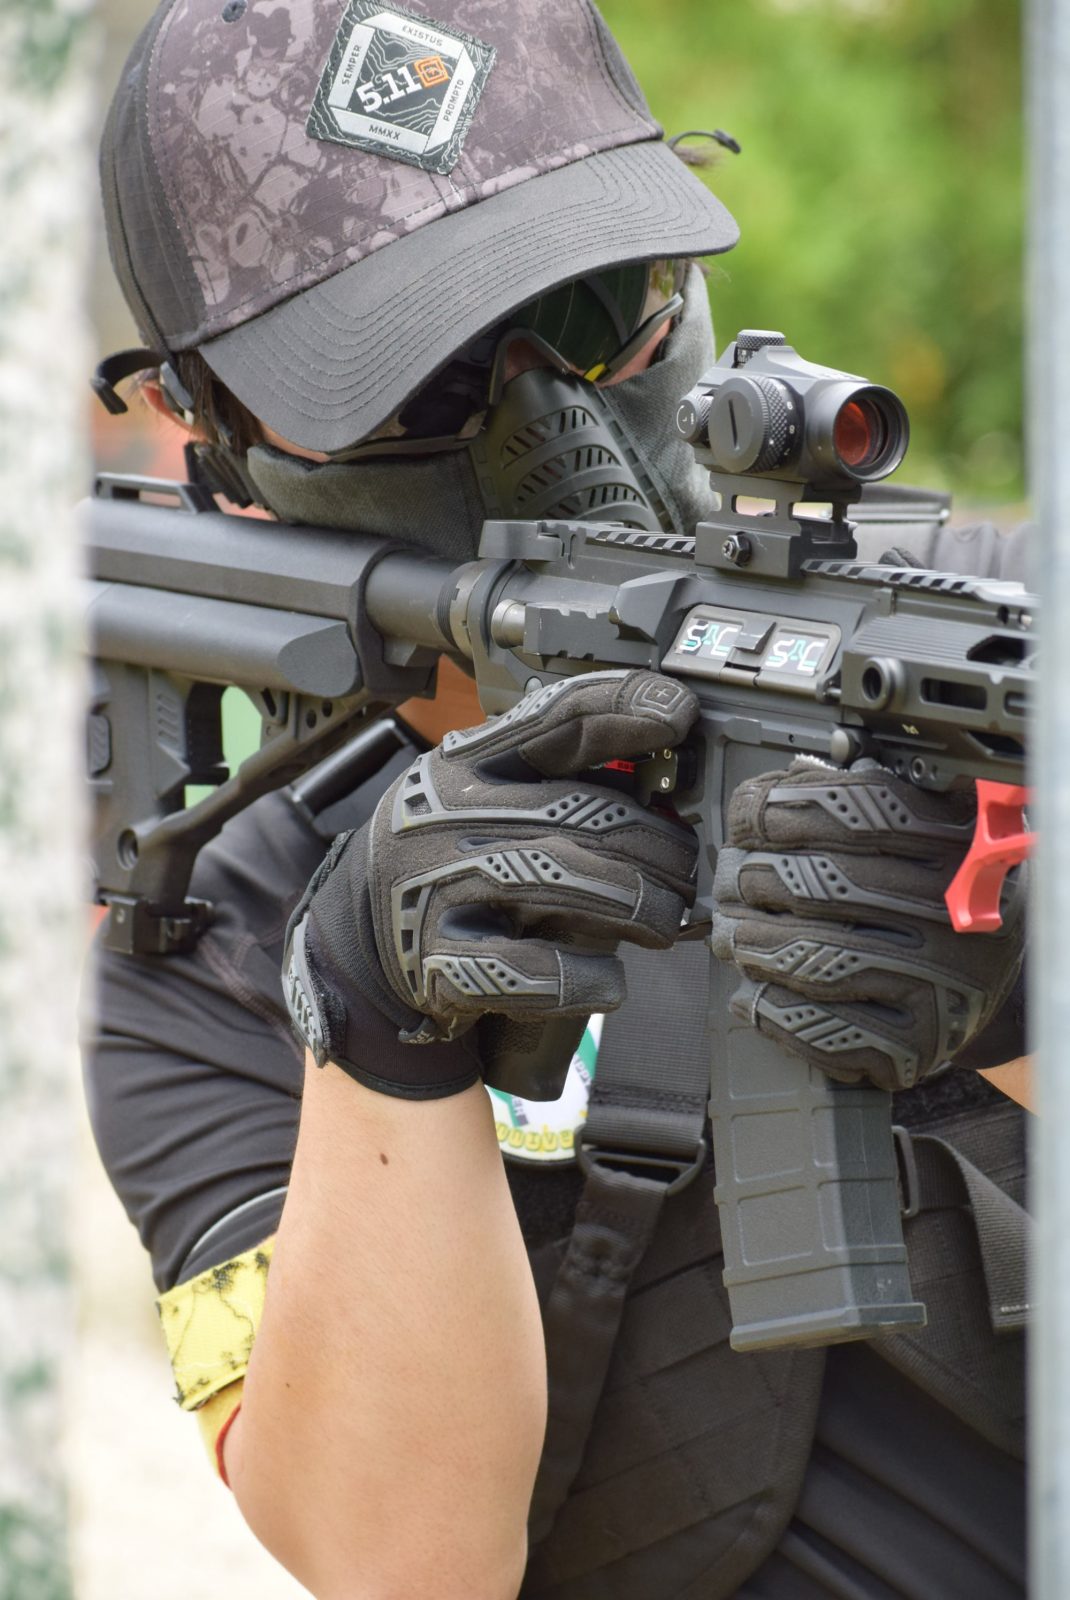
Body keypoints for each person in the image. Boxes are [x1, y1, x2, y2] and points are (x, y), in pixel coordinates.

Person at [85, 1, 1032, 1596]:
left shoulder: (991, 645)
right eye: (422, 382)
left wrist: (1024, 991)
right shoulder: (220, 947)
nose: (560, 430)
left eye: (610, 315)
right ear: (212, 433)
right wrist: (373, 1025)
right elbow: (402, 1562)